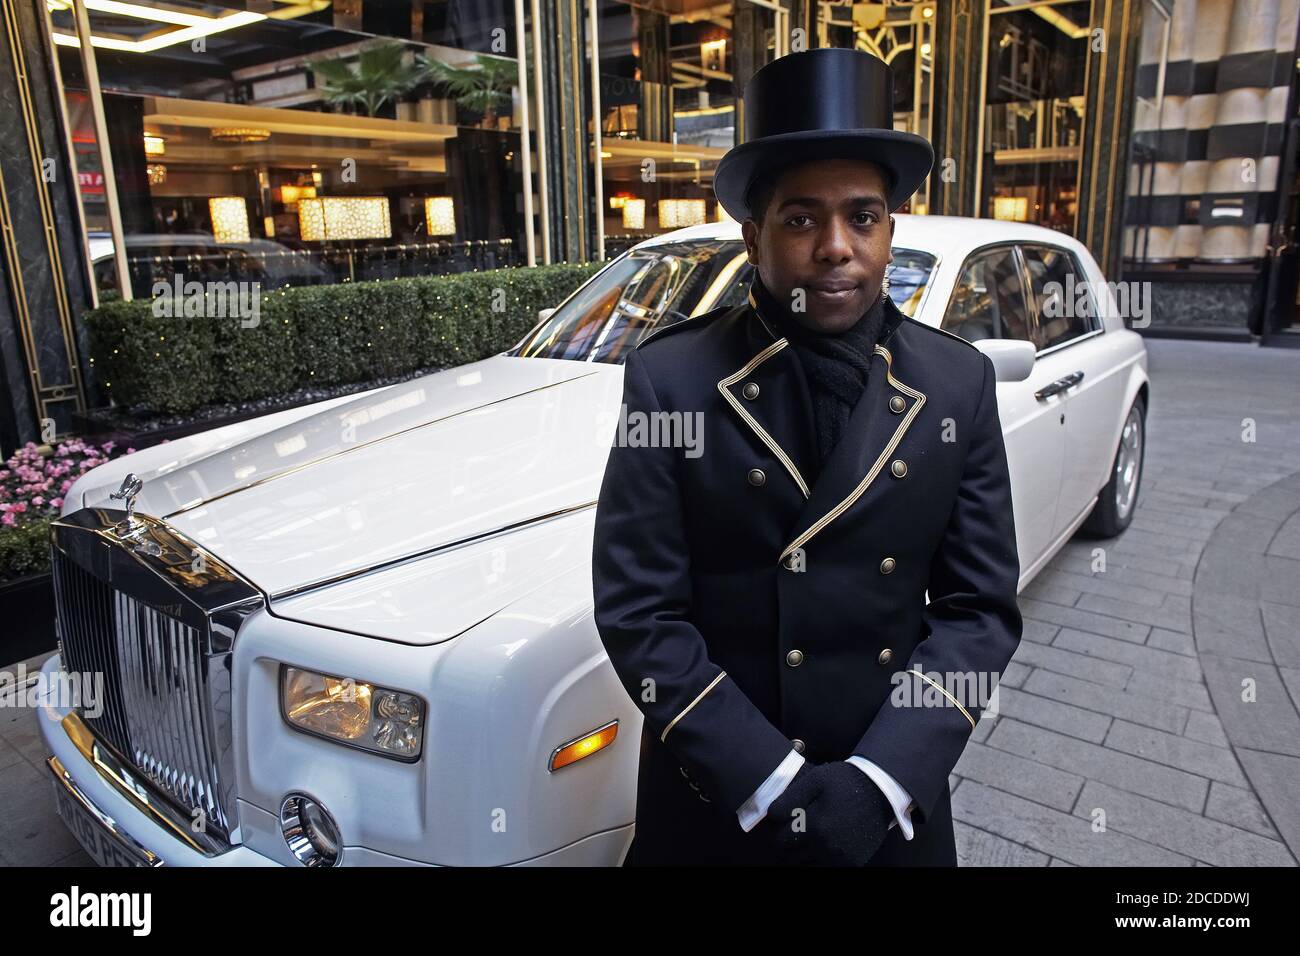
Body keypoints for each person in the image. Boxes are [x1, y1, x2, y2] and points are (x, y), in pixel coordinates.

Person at [591, 47, 1023, 866]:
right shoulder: (671, 377)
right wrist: (769, 780)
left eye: (863, 217)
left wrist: (882, 780)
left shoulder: (956, 382)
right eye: (800, 219)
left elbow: (978, 611)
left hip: (890, 805)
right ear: (754, 235)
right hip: (719, 801)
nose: (835, 246)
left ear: (890, 232)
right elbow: (640, 611)